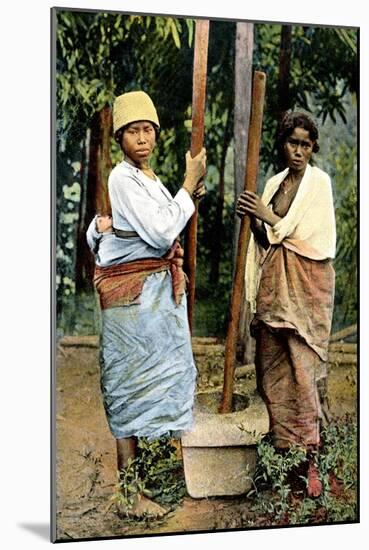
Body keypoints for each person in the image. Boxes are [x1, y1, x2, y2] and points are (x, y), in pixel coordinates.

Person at [86, 90, 206, 517]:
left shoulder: (148, 179)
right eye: (133, 131)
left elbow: (162, 225)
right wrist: (188, 188)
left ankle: (156, 475)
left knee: (166, 379)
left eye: (148, 130)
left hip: (154, 299)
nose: (142, 138)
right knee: (129, 389)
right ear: (120, 138)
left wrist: (184, 198)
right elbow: (159, 233)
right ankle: (128, 495)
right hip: (133, 301)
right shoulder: (122, 179)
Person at [236, 111, 336, 497]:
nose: (298, 151)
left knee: (301, 370)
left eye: (306, 145)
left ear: (313, 148)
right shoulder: (276, 182)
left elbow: (308, 238)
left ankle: (309, 461)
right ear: (283, 143)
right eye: (293, 143)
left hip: (305, 289)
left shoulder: (319, 184)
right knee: (270, 369)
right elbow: (268, 238)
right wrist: (255, 218)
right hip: (275, 289)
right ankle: (282, 456)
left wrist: (265, 215)